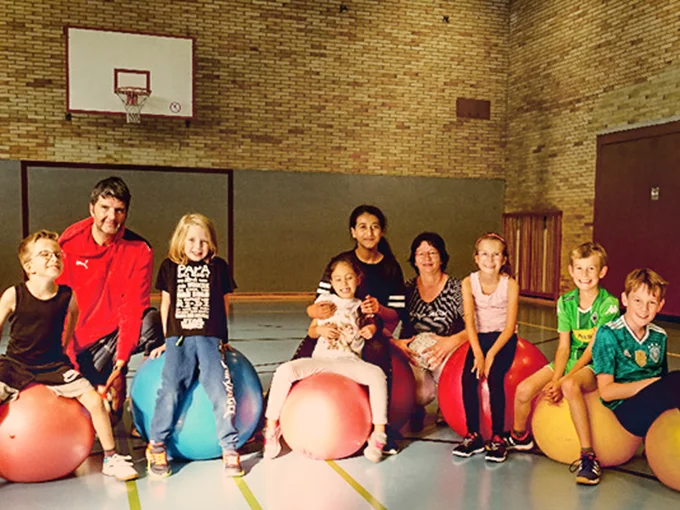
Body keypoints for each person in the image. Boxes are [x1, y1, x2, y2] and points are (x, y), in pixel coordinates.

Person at [0, 230, 137, 481]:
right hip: (16, 363)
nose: (54, 258)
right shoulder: (14, 294)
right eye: (45, 254)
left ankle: (111, 458)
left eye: (57, 254)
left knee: (95, 401)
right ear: (29, 266)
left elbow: (71, 321)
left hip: (53, 365)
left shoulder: (67, 295)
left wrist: (61, 349)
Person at [502, 241, 619, 483]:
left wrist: (563, 381)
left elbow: (591, 350)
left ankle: (588, 457)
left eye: (591, 269)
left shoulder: (609, 304)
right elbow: (564, 347)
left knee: (569, 387)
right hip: (570, 360)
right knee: (523, 390)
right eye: (579, 269)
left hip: (596, 362)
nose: (584, 275)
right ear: (571, 270)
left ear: (602, 272)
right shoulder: (566, 302)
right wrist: (555, 378)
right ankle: (520, 437)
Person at [294, 205, 405, 454]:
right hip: (337, 330)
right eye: (363, 227)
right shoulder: (340, 263)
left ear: (382, 231)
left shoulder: (391, 268)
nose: (369, 232)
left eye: (375, 227)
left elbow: (396, 313)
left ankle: (381, 429)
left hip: (369, 330)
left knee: (377, 350)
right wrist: (320, 317)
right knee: (306, 348)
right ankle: (274, 416)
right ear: (353, 232)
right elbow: (317, 305)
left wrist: (378, 309)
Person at [263, 254, 388, 462]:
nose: (344, 283)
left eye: (348, 278)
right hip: (321, 360)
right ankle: (271, 429)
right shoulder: (325, 302)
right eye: (338, 279)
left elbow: (373, 324)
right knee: (284, 371)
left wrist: (371, 329)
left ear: (358, 278)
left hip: (349, 361)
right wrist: (320, 329)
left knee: (377, 375)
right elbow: (311, 331)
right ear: (331, 282)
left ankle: (379, 434)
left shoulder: (362, 304)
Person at [144, 213, 242, 478]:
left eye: (204, 241)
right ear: (181, 240)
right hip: (179, 339)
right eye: (192, 240)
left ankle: (229, 447)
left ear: (212, 243)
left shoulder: (219, 267)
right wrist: (166, 340)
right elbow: (165, 304)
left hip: (210, 338)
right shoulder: (169, 266)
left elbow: (223, 304)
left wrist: (224, 339)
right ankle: (157, 444)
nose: (198, 246)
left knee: (221, 391)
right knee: (171, 388)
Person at [58, 176, 162, 419]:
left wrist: (121, 363)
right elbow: (60, 313)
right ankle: (97, 379)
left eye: (119, 210)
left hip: (110, 337)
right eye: (105, 208)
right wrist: (71, 368)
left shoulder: (139, 250)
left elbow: (133, 308)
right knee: (82, 414)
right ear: (92, 208)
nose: (111, 217)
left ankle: (149, 406)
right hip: (75, 344)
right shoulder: (68, 245)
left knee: (151, 321)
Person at [452, 233, 519, 462]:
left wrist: (490, 355)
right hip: (479, 338)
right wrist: (478, 352)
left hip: (503, 338)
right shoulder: (468, 282)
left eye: (496, 254)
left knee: (495, 376)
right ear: (476, 258)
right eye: (484, 254)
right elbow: (469, 321)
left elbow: (510, 327)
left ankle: (498, 437)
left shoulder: (509, 284)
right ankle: (474, 435)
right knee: (467, 378)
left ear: (504, 259)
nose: (490, 259)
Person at [593, 268, 680, 442]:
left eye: (652, 303)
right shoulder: (608, 334)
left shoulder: (659, 335)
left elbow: (662, 379)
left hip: (655, 409)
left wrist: (658, 384)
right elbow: (607, 392)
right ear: (625, 299)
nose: (644, 308)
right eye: (637, 300)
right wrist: (653, 384)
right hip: (625, 412)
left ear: (660, 305)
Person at [393, 232, 468, 430]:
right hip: (415, 352)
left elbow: (474, 326)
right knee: (421, 394)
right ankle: (417, 406)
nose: (427, 259)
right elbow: (390, 320)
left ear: (442, 257)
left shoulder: (456, 288)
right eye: (421, 254)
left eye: (432, 253)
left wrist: (451, 341)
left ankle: (447, 404)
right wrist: (398, 344)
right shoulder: (406, 289)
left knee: (453, 385)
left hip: (448, 350)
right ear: (414, 260)